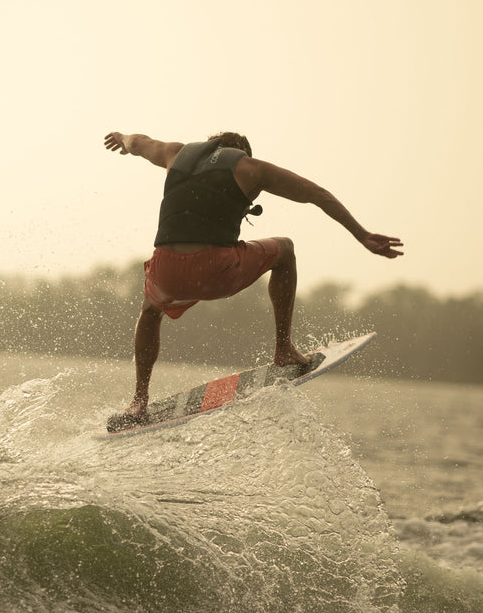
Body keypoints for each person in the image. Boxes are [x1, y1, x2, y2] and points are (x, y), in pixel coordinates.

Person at [103, 130, 403, 429]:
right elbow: (317, 195)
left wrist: (123, 139)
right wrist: (362, 235)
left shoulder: (174, 153)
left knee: (150, 311)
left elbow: (139, 142)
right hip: (215, 271)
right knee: (285, 248)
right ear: (242, 152)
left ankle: (139, 402)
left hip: (166, 271)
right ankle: (283, 348)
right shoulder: (251, 168)